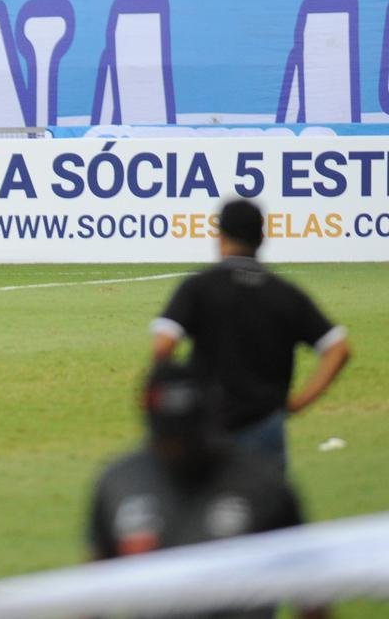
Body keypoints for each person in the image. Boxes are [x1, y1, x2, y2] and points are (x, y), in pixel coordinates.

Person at [88, 361, 328, 619]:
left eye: (189, 438)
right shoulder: (120, 482)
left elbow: (309, 591)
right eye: (169, 438)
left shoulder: (261, 482)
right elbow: (91, 590)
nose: (179, 450)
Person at [150, 198, 351, 471]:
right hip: (265, 423)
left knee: (205, 501)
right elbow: (338, 349)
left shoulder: (198, 287)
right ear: (262, 237)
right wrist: (298, 403)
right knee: (266, 505)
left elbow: (163, 347)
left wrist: (173, 399)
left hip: (209, 421)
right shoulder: (284, 293)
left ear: (219, 237)